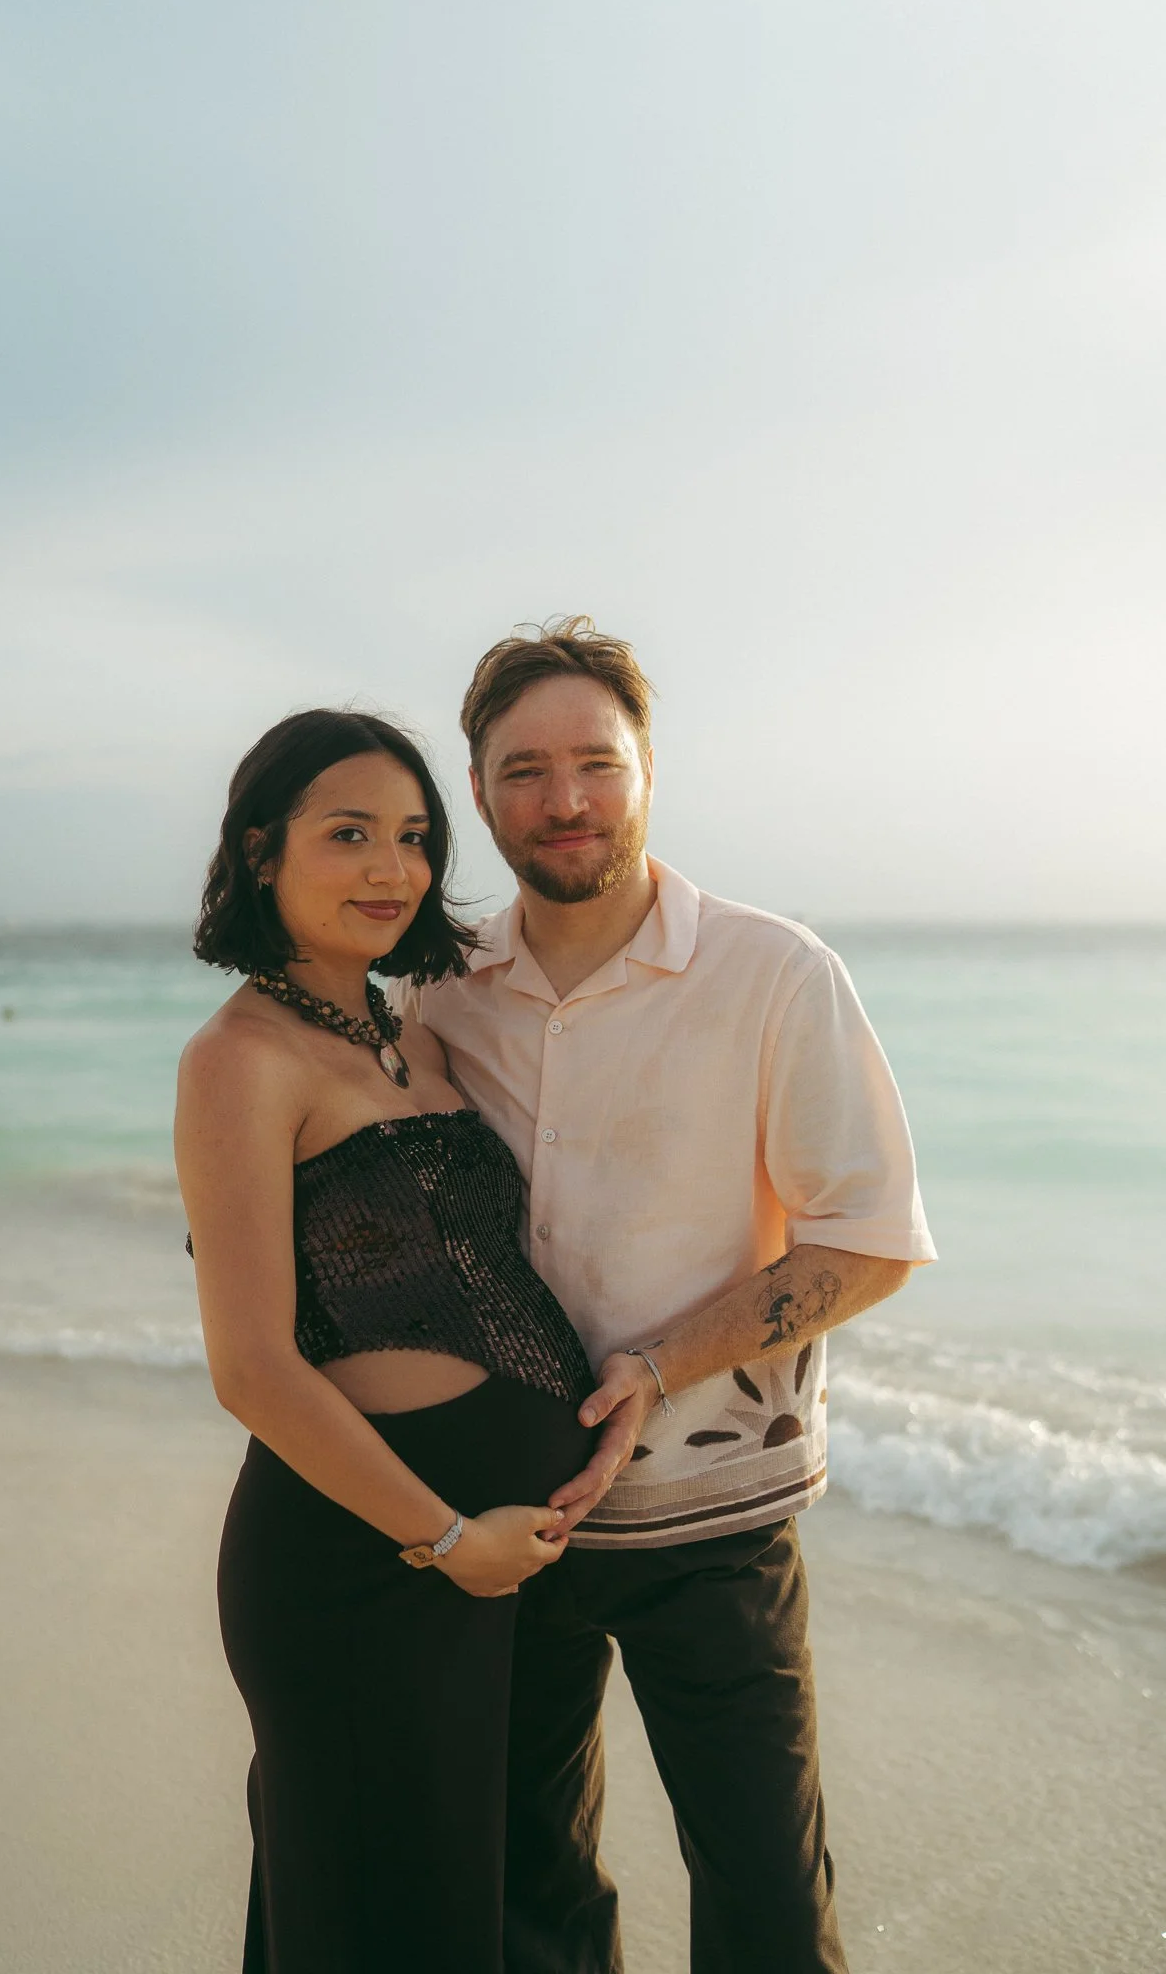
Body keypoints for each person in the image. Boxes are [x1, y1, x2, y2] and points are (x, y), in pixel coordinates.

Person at [393, 617, 938, 1974]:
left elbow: (866, 1239)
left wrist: (652, 1365)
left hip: (715, 1515)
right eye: (524, 771)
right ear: (476, 793)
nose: (563, 801)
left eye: (595, 763)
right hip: (512, 1511)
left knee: (762, 1898)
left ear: (650, 773)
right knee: (524, 1895)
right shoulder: (443, 993)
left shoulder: (773, 974)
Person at [173, 708, 597, 1974]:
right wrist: (448, 1535)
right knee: (379, 1921)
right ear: (261, 851)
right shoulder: (239, 1059)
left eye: (413, 838)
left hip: (493, 1554)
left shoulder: (414, 1030)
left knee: (482, 1909)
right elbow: (251, 1365)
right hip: (365, 1561)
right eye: (348, 833)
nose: (390, 869)